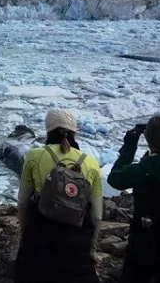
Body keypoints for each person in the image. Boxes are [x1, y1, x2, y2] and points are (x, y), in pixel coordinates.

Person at [14, 108, 103, 283]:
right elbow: (97, 215)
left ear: (48, 130)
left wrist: (25, 239)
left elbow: (22, 202)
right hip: (76, 244)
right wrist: (92, 250)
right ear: (74, 132)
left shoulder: (34, 155)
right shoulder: (91, 162)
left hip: (40, 238)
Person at [108, 114, 160, 283]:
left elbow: (115, 178)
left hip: (144, 247)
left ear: (150, 140)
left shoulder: (145, 168)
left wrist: (129, 148)